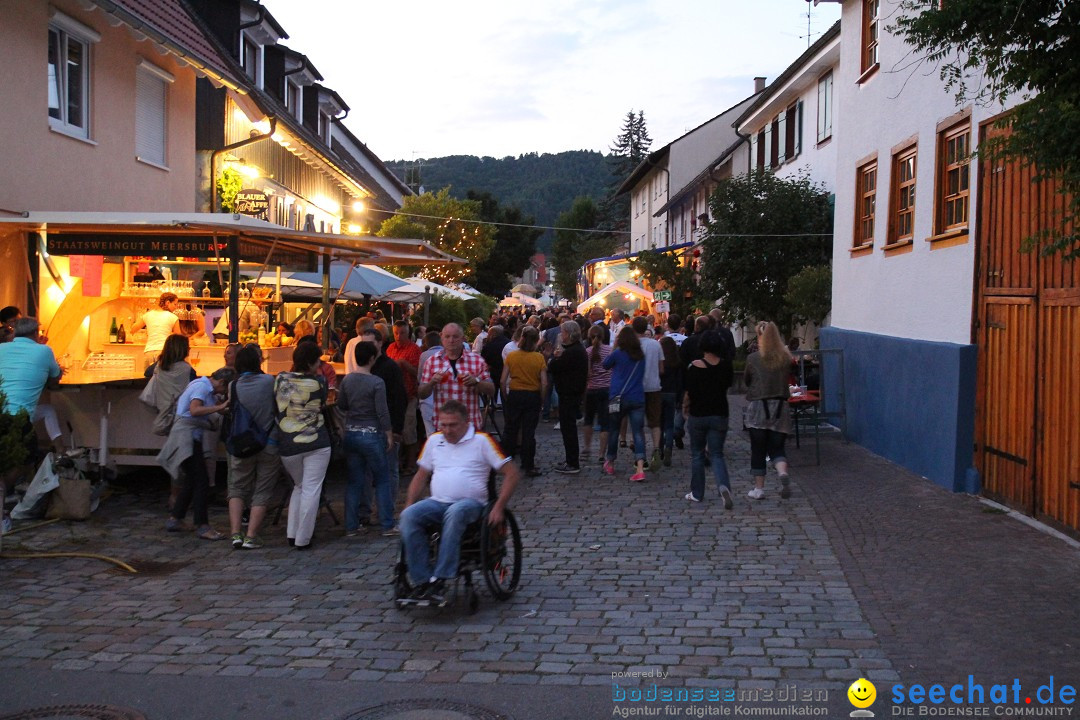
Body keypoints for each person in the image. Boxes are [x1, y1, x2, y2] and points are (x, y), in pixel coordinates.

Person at [398, 400, 520, 604]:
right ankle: (422, 580)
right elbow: (421, 475)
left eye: (452, 425)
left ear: (466, 423)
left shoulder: (482, 441)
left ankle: (442, 577)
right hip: (437, 502)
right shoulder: (434, 440)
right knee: (408, 516)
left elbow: (512, 474)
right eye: (443, 425)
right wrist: (410, 502)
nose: (447, 430)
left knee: (455, 512)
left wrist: (499, 507)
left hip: (471, 504)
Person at [157, 366, 236, 540]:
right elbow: (194, 410)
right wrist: (219, 407)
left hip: (192, 436)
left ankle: (176, 518)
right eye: (225, 389)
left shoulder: (202, 385)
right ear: (222, 383)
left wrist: (219, 408)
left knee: (192, 480)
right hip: (187, 437)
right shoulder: (202, 387)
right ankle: (202, 525)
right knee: (201, 481)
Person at [275, 342, 332, 549]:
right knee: (311, 489)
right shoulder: (320, 382)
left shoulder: (281, 379)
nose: (320, 365)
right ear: (310, 362)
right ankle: (303, 538)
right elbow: (323, 402)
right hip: (316, 440)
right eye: (317, 361)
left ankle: (292, 533)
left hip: (288, 443)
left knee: (299, 487)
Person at [225, 345, 280, 550]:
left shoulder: (233, 385)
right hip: (268, 442)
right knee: (263, 489)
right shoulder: (268, 381)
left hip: (242, 442)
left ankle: (235, 533)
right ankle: (251, 535)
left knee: (237, 487)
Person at [337, 340, 394, 537]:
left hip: (351, 432)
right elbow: (382, 411)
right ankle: (387, 524)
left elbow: (342, 405)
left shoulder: (347, 380)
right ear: (372, 358)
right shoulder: (377, 382)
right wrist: (388, 433)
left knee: (354, 481)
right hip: (371, 433)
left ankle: (351, 525)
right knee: (382, 479)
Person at [357, 327, 406, 533]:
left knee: (389, 470)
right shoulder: (361, 367)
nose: (366, 347)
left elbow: (399, 399)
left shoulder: (390, 367)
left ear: (379, 343)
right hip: (366, 428)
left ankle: (385, 510)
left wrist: (396, 429)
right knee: (366, 472)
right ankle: (365, 512)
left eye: (369, 343)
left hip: (386, 428)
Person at [682, 331, 734, 507]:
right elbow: (728, 385)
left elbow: (688, 393)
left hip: (698, 415)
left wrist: (684, 409)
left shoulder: (693, 367)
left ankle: (697, 493)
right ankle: (724, 487)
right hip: (719, 413)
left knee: (697, 454)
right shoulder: (726, 366)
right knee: (717, 454)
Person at [744, 321, 794, 500]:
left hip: (759, 406)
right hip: (781, 406)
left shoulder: (754, 358)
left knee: (758, 448)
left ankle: (759, 489)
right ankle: (782, 474)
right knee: (777, 447)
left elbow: (747, 380)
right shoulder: (785, 358)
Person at [418, 323, 493, 433]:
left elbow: (491, 390)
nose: (451, 340)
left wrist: (476, 382)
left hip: (469, 425)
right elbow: (422, 393)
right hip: (444, 427)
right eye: (447, 336)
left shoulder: (477, 360)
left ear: (463, 338)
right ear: (441, 337)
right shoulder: (432, 362)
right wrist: (432, 383)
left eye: (455, 336)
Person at [0, 316, 63, 445]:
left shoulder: (1, 348)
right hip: (20, 417)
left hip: (2, 412)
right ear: (35, 333)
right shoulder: (44, 350)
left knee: (47, 410)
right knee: (26, 460)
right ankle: (60, 455)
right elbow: (55, 376)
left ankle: (61, 453)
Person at [500, 326, 546, 477]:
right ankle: (528, 465)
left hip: (515, 393)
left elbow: (502, 380)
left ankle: (506, 462)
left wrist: (506, 396)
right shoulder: (538, 358)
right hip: (532, 395)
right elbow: (544, 383)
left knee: (510, 429)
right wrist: (542, 399)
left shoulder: (512, 356)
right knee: (528, 432)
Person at [603, 326, 647, 482]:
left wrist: (614, 347)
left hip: (617, 396)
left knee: (614, 429)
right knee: (638, 432)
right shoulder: (640, 356)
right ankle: (640, 467)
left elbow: (605, 364)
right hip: (637, 397)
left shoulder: (617, 353)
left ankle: (610, 461)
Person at [546, 321, 588, 474]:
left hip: (569, 393)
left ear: (569, 334)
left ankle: (572, 462)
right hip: (570, 392)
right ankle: (570, 459)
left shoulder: (573, 351)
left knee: (568, 429)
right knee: (567, 428)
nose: (560, 335)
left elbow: (554, 367)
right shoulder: (574, 349)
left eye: (563, 332)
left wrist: (554, 359)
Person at [385, 320, 422, 474]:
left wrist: (404, 364)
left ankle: (411, 464)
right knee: (395, 430)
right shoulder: (390, 348)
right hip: (393, 396)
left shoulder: (415, 350)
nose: (398, 336)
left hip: (409, 395)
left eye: (402, 333)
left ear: (409, 333)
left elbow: (418, 374)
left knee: (409, 430)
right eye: (396, 333)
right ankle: (397, 461)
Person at [633, 316, 664, 472]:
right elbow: (661, 369)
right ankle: (657, 448)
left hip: (636, 388)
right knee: (655, 422)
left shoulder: (632, 345)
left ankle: (641, 455)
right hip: (654, 387)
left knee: (637, 424)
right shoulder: (655, 345)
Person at [581, 324, 612, 464]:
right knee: (605, 422)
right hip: (606, 389)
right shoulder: (610, 350)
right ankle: (601, 453)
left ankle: (586, 448)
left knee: (588, 419)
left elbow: (587, 373)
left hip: (592, 389)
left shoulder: (587, 351)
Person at [131, 292, 180, 367]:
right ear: (167, 303)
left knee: (148, 378)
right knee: (163, 377)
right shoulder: (173, 317)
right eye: (175, 304)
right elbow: (178, 338)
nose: (176, 307)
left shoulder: (148, 314)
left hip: (149, 351)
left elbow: (133, 329)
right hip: (164, 352)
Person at [658, 336, 684, 468]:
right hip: (672, 393)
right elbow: (680, 382)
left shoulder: (660, 361)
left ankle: (660, 449)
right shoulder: (677, 362)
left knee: (660, 424)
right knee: (669, 424)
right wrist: (680, 397)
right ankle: (669, 448)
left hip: (659, 392)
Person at [417, 331, 443, 436]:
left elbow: (419, 378)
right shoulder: (447, 353)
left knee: (431, 432)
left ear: (426, 344)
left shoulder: (424, 355)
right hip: (443, 398)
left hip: (428, 398)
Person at [480, 325, 509, 406]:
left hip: (493, 373)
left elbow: (483, 361)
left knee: (492, 394)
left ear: (493, 334)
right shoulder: (508, 343)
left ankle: (491, 406)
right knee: (504, 396)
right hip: (506, 373)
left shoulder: (488, 346)